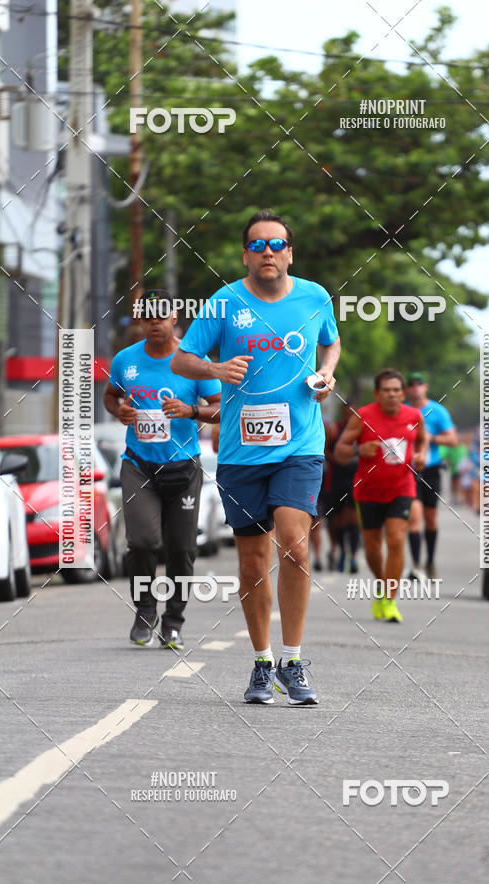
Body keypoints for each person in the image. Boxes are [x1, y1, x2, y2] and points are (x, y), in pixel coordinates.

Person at [171, 210, 340, 704]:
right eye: (258, 245)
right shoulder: (224, 303)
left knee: (296, 544)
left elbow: (330, 344)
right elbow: (183, 359)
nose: (268, 252)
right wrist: (217, 368)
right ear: (246, 254)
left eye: (277, 244)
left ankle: (294, 660)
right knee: (251, 562)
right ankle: (263, 662)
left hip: (300, 445)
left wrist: (326, 374)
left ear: (290, 252)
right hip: (242, 452)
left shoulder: (315, 297)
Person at [104, 289, 221, 648]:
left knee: (181, 547)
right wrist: (118, 410)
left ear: (174, 319)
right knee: (142, 541)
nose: (155, 321)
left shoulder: (193, 360)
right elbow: (111, 395)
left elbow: (220, 409)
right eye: (148, 315)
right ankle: (144, 609)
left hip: (183, 468)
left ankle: (173, 620)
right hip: (138, 465)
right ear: (140, 321)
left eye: (162, 315)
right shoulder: (126, 360)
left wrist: (190, 411)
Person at [334, 368, 428, 622]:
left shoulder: (414, 415)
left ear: (404, 393)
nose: (391, 395)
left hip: (402, 487)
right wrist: (358, 450)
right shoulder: (363, 416)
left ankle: (389, 599)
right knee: (373, 549)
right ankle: (381, 583)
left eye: (396, 390)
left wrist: (421, 456)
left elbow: (422, 440)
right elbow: (339, 450)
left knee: (396, 539)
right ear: (377, 393)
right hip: (367, 491)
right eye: (386, 390)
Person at [405, 372, 457, 579]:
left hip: (432, 468)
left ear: (425, 387)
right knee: (414, 517)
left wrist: (431, 438)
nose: (415, 388)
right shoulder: (403, 411)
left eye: (419, 384)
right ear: (407, 389)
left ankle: (430, 561)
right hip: (409, 469)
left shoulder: (437, 411)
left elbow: (453, 440)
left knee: (431, 518)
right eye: (411, 384)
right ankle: (416, 565)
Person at [325, 404, 361, 573]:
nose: (350, 417)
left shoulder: (363, 429)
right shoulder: (334, 429)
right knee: (338, 521)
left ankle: (353, 556)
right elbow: (324, 449)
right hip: (337, 479)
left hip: (356, 479)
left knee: (353, 519)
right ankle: (342, 551)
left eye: (353, 414)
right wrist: (337, 459)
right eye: (347, 413)